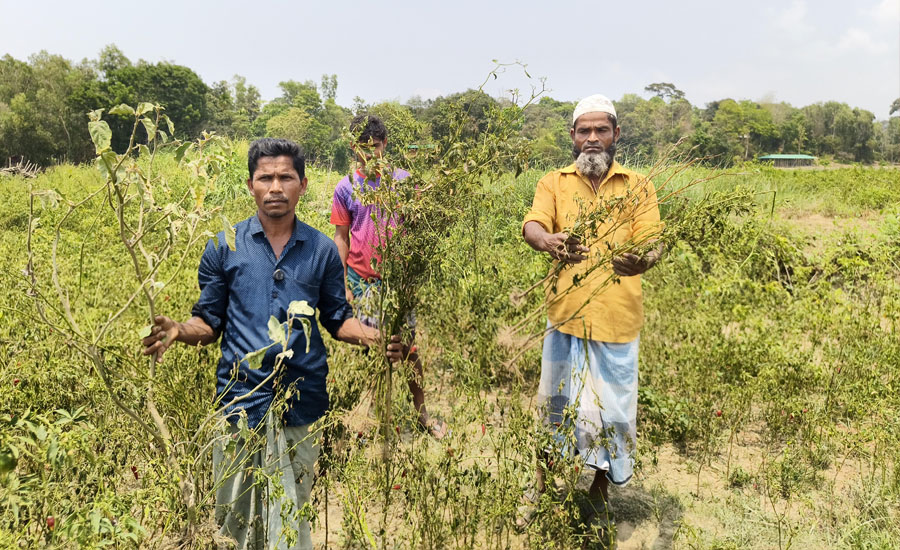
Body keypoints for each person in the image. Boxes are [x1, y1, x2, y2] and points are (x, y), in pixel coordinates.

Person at [141, 138, 405, 550]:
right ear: (250, 185)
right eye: (266, 177)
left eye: (286, 177)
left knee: (291, 513)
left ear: (303, 184)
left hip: (301, 401)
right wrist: (179, 329)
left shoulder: (321, 250)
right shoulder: (224, 245)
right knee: (234, 522)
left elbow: (337, 319)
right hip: (240, 402)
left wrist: (376, 337)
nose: (275, 187)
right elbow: (208, 321)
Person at [520, 95, 664, 527]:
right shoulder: (554, 181)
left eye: (601, 130)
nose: (592, 139)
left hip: (618, 320)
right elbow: (533, 224)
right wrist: (546, 241)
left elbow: (654, 240)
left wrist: (645, 259)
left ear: (616, 135)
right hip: (565, 315)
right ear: (572, 137)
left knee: (612, 409)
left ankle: (599, 491)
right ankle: (540, 486)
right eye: (584, 131)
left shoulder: (639, 185)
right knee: (555, 404)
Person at [330, 113, 448, 439]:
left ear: (385, 145)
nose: (370, 154)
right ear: (354, 148)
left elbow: (419, 229)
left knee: (407, 349)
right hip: (362, 281)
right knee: (374, 349)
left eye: (376, 147)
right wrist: (341, 283)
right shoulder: (346, 187)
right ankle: (374, 419)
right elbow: (341, 237)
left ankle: (422, 415)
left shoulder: (404, 182)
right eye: (363, 148)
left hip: (398, 281)